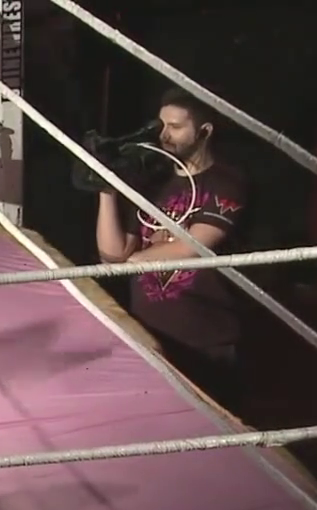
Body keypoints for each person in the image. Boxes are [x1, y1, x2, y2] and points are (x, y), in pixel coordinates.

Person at [95, 87, 249, 407]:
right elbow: (113, 253)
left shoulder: (226, 182)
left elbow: (192, 246)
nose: (164, 135)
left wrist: (129, 263)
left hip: (205, 342)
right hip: (151, 336)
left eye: (175, 127)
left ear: (204, 131)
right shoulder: (153, 185)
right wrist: (105, 190)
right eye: (162, 125)